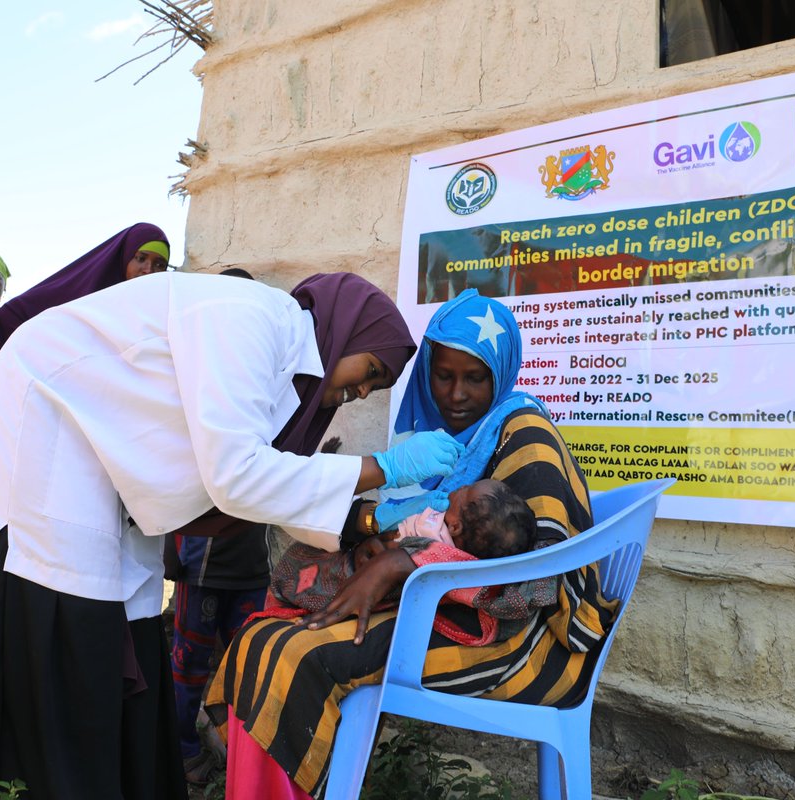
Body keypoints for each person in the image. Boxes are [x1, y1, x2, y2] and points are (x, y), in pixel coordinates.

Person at [0, 271, 464, 800]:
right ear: (348, 332)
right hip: (48, 416)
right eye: (371, 372)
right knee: (67, 599)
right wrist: (384, 468)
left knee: (126, 606)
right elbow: (238, 477)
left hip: (105, 451)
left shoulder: (285, 361)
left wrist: (366, 516)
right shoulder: (250, 321)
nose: (363, 391)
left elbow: (261, 483)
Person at [206, 289, 612, 800]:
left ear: (502, 373)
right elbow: (409, 524)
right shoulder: (458, 449)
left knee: (292, 653)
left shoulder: (523, 431)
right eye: (443, 376)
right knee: (264, 632)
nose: (457, 394)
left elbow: (539, 577)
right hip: (448, 615)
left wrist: (406, 560)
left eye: (476, 377)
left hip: (521, 644)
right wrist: (383, 543)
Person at [166, 265, 269, 786]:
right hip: (200, 560)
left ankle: (241, 760)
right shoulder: (198, 381)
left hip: (251, 563)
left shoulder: (266, 383)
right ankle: (181, 751)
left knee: (247, 663)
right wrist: (169, 549)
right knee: (188, 663)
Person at [267, 479, 537, 615]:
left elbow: (397, 542)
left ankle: (287, 591)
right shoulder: (456, 552)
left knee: (309, 569)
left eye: (465, 490)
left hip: (357, 571)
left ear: (454, 526)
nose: (460, 486)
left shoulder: (433, 536)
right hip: (368, 552)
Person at [0, 222, 169, 352]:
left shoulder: (159, 312)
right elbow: (12, 314)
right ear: (125, 256)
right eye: (141, 258)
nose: (149, 270)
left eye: (160, 265)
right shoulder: (88, 289)